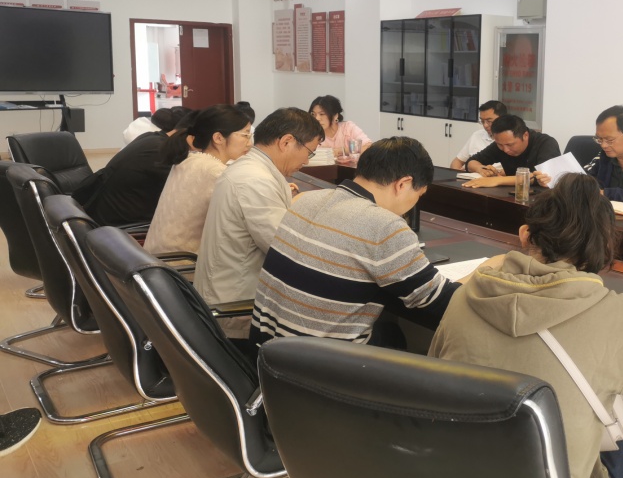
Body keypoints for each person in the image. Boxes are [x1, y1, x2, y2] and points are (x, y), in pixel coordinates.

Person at [429, 174, 623, 478]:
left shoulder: (466, 296)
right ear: (605, 248)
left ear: (525, 235)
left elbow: (434, 374)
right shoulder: (616, 316)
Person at [251, 137, 459, 349]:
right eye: (419, 195)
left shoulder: (304, 200)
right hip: (315, 363)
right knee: (397, 339)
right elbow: (439, 298)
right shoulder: (384, 226)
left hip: (265, 351)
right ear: (403, 184)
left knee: (388, 332)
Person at [193, 107, 322, 341]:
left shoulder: (250, 168)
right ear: (286, 142)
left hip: (233, 294)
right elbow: (285, 250)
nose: (306, 161)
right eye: (309, 152)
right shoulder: (255, 180)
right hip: (237, 309)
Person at [143, 104, 253, 255]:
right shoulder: (215, 172)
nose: (250, 143)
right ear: (218, 138)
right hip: (183, 262)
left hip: (156, 256)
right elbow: (243, 222)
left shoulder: (187, 160)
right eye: (245, 135)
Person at [76, 109, 195, 226]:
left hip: (103, 213)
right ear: (191, 137)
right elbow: (188, 188)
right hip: (120, 225)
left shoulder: (150, 137)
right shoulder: (161, 151)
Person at [462, 114, 560, 188]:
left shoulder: (546, 143)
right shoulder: (502, 143)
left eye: (510, 145)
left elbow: (541, 178)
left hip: (541, 200)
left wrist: (497, 181)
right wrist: (480, 169)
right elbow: (471, 162)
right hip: (511, 195)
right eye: (500, 145)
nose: (505, 150)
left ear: (525, 135)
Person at [309, 95, 370, 164]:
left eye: (322, 114)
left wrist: (341, 150)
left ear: (335, 116)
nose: (317, 118)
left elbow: (369, 147)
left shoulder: (348, 128)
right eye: (313, 114)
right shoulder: (311, 133)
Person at [449, 100, 507, 170]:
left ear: (503, 119)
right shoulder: (477, 135)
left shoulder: (510, 140)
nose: (485, 125)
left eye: (489, 121)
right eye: (482, 121)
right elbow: (457, 161)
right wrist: (458, 173)